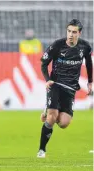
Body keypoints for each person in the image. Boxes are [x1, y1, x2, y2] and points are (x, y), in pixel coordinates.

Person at [37, 19, 93, 158]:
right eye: (69, 31)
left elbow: (89, 63)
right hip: (55, 84)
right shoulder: (57, 45)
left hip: (71, 88)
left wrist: (90, 82)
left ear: (79, 33)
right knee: (52, 117)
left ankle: (50, 110)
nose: (71, 35)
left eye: (74, 32)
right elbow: (44, 63)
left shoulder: (85, 47)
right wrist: (47, 80)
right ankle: (42, 150)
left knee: (63, 123)